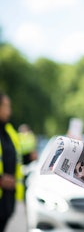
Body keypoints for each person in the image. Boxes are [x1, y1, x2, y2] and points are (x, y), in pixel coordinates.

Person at [0, 92, 24, 232]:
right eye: (6, 106)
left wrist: (29, 157)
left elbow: (15, 158)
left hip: (6, 203)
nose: (9, 110)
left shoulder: (9, 132)